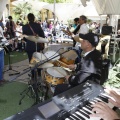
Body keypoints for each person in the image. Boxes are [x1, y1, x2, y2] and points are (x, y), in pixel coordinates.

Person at [22, 13, 45, 78]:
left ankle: (33, 75)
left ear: (28, 18)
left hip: (29, 46)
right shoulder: (38, 25)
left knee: (31, 60)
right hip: (37, 45)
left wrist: (29, 41)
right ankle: (39, 73)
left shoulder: (25, 26)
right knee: (38, 59)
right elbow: (42, 36)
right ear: (34, 18)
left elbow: (24, 38)